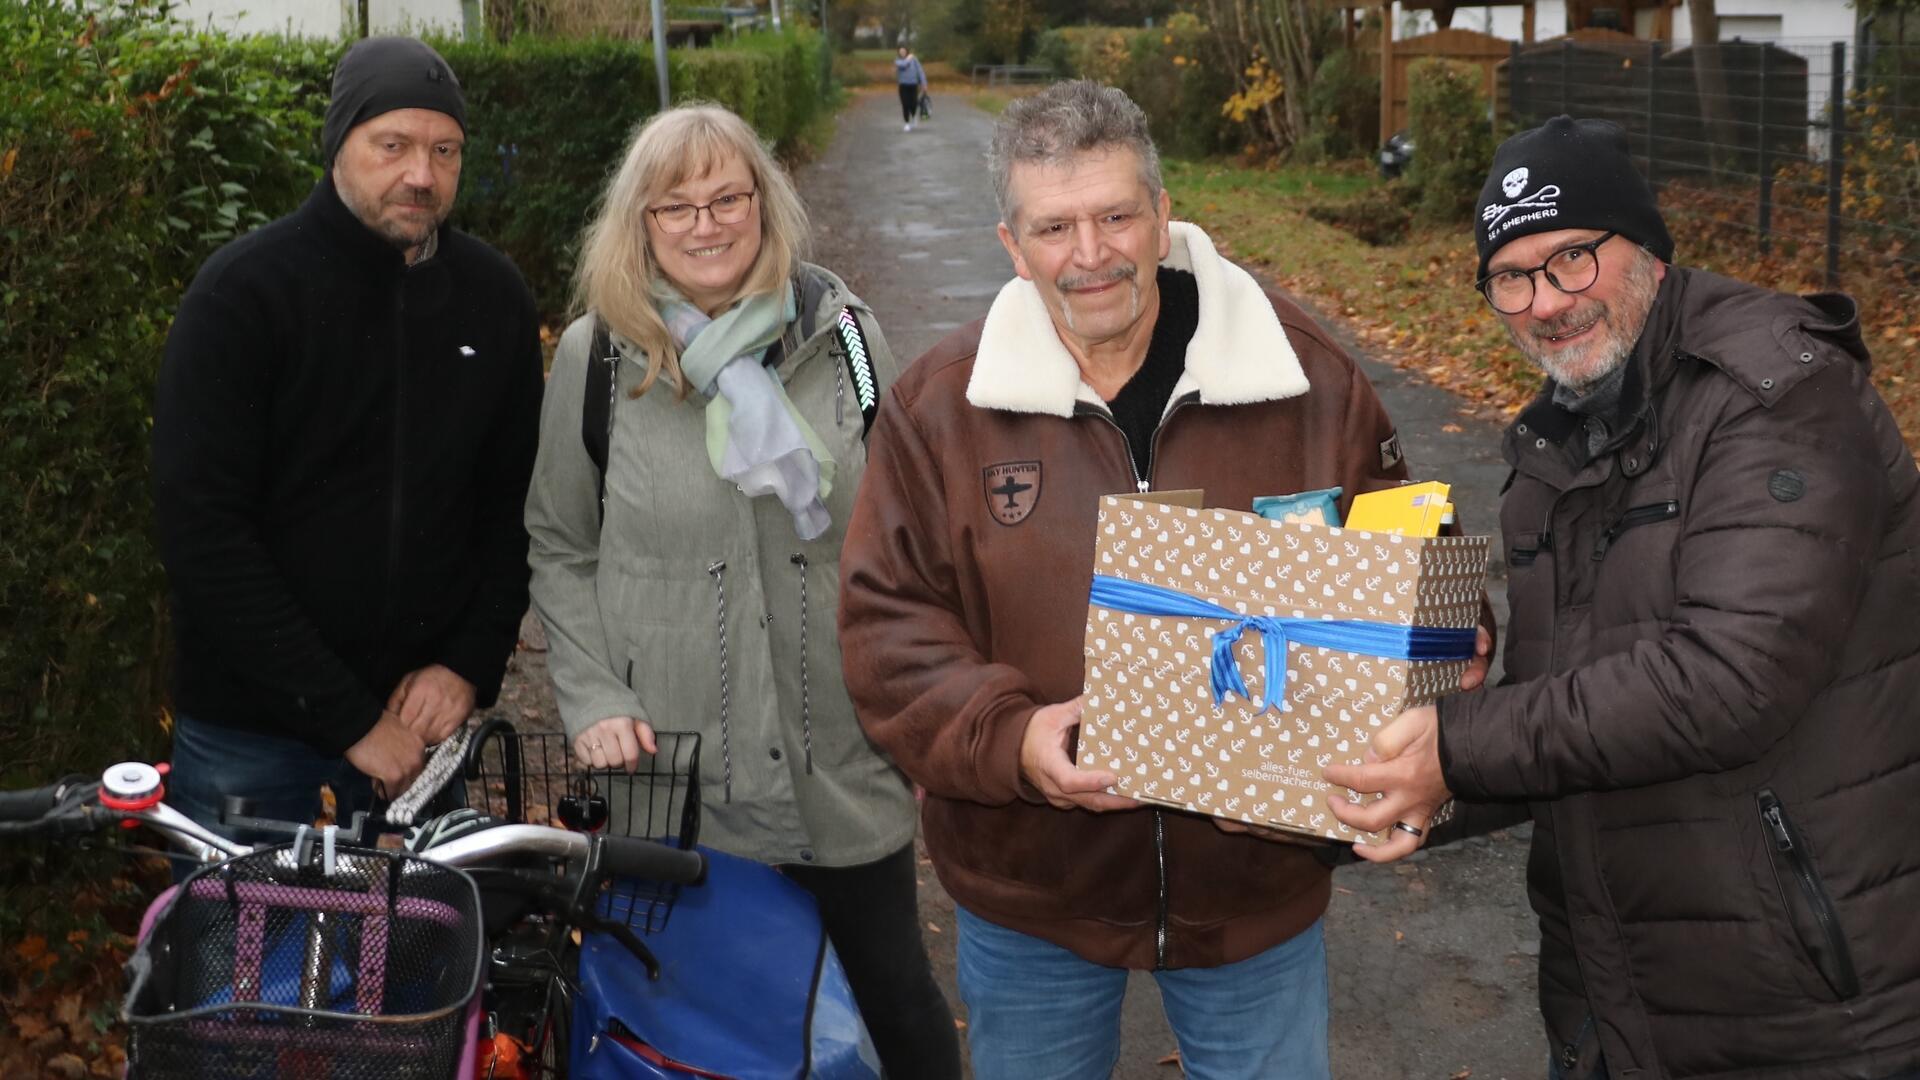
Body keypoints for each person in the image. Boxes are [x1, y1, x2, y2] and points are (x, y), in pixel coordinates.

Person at [837, 79, 1492, 1079]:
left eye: (1114, 216)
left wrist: (1446, 649)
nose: (1089, 254)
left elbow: (1410, 571)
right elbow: (886, 628)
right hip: (1031, 891)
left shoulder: (1304, 376)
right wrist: (1012, 738)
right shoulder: (941, 408)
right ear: (1012, 246)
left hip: (1253, 886)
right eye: (1054, 226)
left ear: (1162, 213)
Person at [1326, 116, 1920, 1080]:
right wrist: (1394, 790)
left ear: (1643, 246)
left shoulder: (1778, 394)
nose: (1545, 303)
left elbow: (1726, 682)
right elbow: (1566, 717)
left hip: (1803, 1011)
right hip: (1616, 1003)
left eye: (1571, 259)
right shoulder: (1553, 448)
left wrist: (1457, 746)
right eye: (1510, 277)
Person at [524, 104, 960, 1078]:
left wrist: (923, 703)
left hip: (839, 754)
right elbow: (560, 544)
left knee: (894, 1004)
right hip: (673, 770)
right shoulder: (595, 359)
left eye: (728, 198)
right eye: (675, 206)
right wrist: (594, 696)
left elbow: (912, 539)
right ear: (638, 224)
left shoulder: (843, 339)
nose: (706, 224)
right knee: (695, 1028)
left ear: (765, 203)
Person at [152, 37, 542, 842]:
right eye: (391, 145)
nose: (422, 176)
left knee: (417, 970)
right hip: (253, 742)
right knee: (247, 974)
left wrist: (468, 662)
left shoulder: (494, 299)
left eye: (445, 150)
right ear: (339, 145)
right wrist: (349, 717)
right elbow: (203, 533)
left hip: (425, 732)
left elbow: (516, 509)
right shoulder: (242, 296)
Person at [894, 45, 928, 133]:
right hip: (903, 86)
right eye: (900, 51)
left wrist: (923, 83)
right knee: (905, 104)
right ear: (899, 53)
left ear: (907, 51)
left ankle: (913, 116)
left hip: (913, 85)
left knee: (913, 104)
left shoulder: (914, 59)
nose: (902, 53)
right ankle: (906, 123)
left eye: (904, 51)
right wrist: (908, 59)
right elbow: (903, 65)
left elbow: (920, 71)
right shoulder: (898, 61)